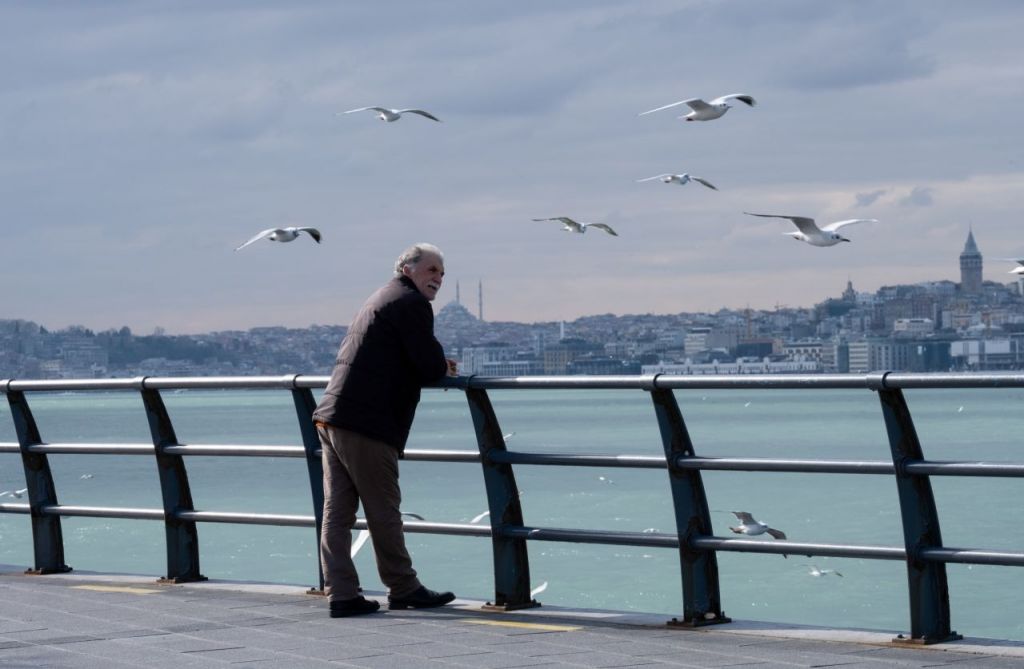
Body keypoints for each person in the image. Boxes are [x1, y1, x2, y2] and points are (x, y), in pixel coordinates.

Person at [313, 242, 458, 618]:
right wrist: (443, 365)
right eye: (432, 270)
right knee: (383, 508)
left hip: (333, 413)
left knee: (337, 511)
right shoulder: (411, 303)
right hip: (366, 420)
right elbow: (428, 364)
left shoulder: (380, 297)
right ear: (408, 269)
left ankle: (341, 593)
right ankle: (403, 586)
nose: (439, 278)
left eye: (442, 273)